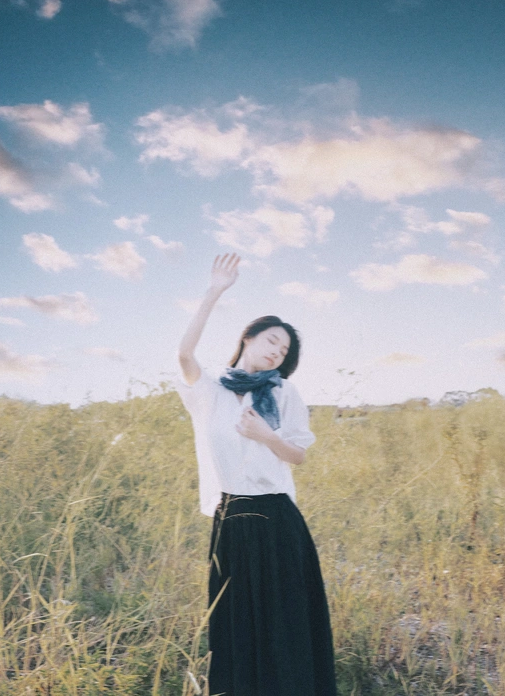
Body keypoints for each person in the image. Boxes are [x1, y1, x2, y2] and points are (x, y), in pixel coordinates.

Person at [175, 252, 337, 696]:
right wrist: (215, 290)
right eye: (271, 341)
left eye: (283, 351)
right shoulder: (210, 391)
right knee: (235, 621)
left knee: (284, 622)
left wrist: (266, 435)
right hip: (230, 518)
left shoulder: (284, 393)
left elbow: (298, 455)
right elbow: (184, 353)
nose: (276, 352)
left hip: (276, 518)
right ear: (248, 337)